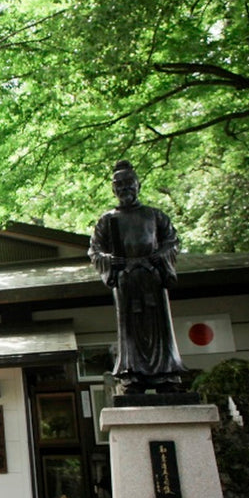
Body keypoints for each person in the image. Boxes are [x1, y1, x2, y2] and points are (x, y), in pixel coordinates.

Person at [89, 160, 187, 394]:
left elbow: (172, 242)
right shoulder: (107, 220)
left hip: (152, 277)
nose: (124, 188)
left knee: (159, 326)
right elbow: (95, 250)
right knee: (130, 329)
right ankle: (132, 375)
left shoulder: (154, 216)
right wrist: (111, 262)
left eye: (128, 183)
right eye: (119, 184)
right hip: (126, 281)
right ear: (114, 189)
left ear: (138, 185)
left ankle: (166, 374)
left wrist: (160, 257)